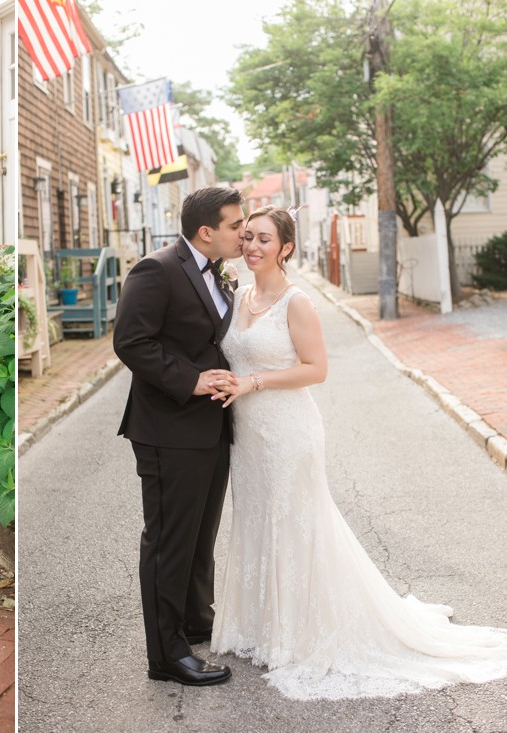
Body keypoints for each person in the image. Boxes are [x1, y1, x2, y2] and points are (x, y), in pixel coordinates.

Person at [209, 204, 507, 700]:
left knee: (295, 523)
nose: (253, 246)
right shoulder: (238, 295)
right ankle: (264, 627)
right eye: (248, 237)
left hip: (288, 430)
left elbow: (316, 368)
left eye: (265, 239)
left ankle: (300, 632)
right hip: (249, 436)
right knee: (258, 520)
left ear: (285, 247)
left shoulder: (296, 301)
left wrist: (252, 381)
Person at [113, 186, 245, 686]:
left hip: (212, 428)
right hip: (168, 428)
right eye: (235, 225)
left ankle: (194, 619)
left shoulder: (218, 273)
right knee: (168, 541)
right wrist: (190, 380)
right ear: (206, 231)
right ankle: (166, 655)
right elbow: (130, 341)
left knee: (199, 536)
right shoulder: (157, 269)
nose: (243, 232)